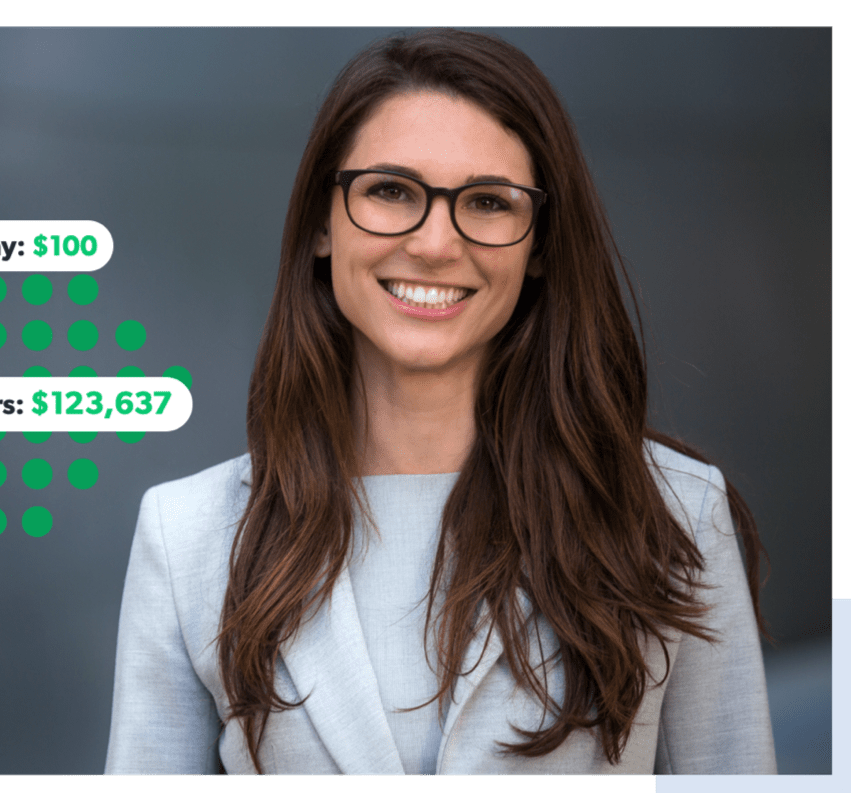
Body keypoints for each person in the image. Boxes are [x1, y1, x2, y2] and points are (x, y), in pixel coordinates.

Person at [104, 28, 775, 775]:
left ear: (540, 244)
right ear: (323, 221)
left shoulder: (676, 516)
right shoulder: (189, 538)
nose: (434, 243)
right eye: (391, 191)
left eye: (487, 202)